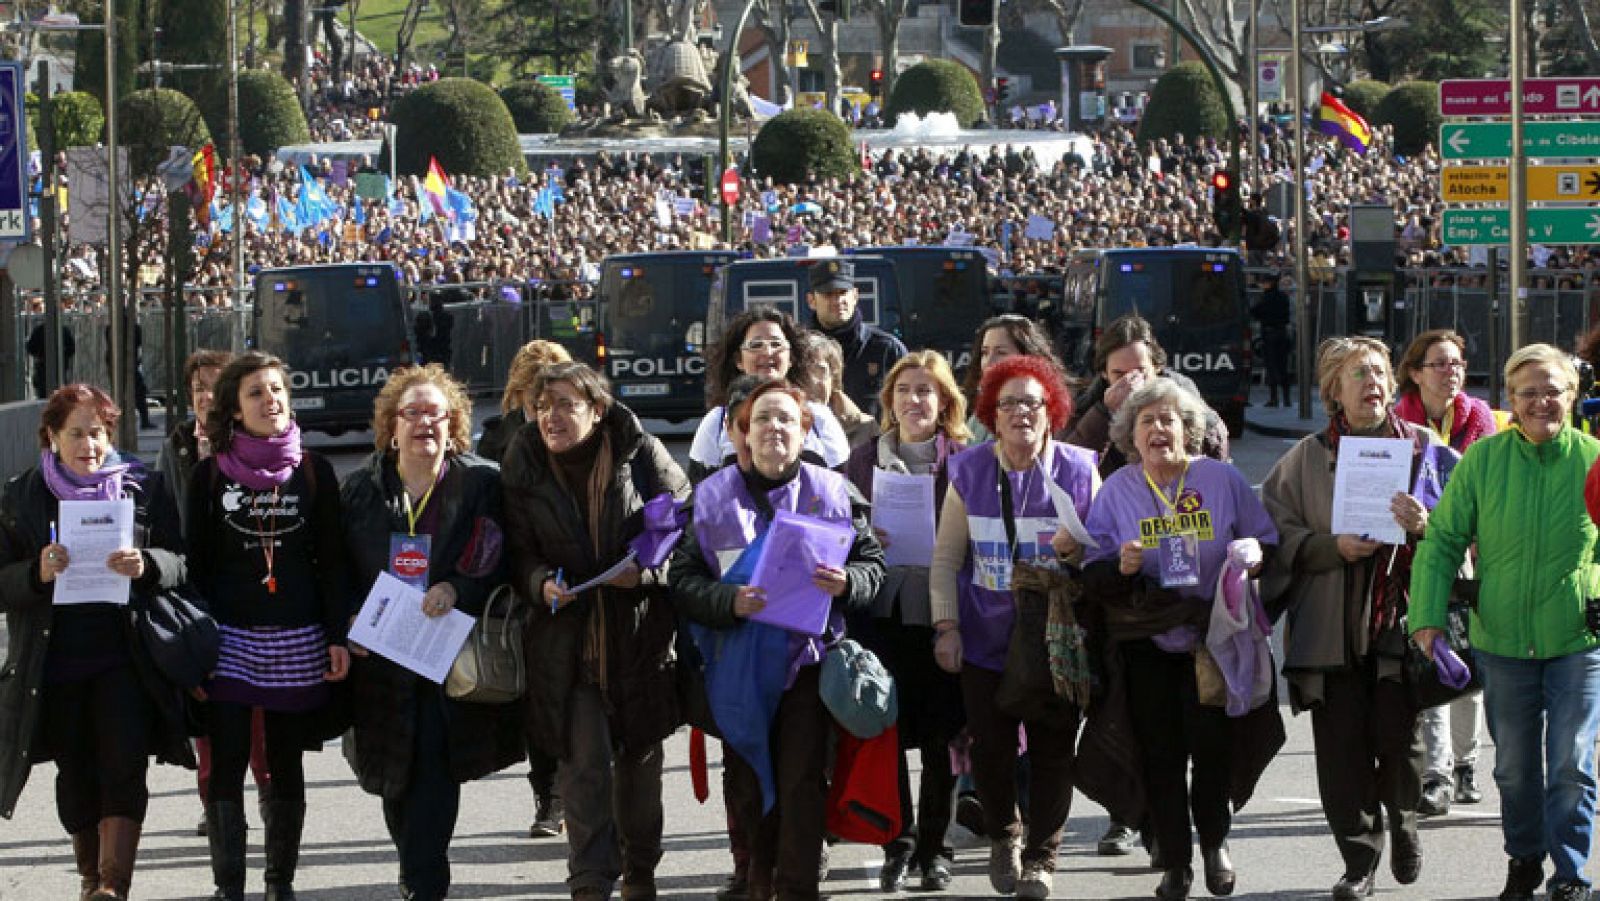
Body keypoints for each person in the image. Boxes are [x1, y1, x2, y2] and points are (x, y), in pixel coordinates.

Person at [673, 379, 886, 901]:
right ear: (743, 434)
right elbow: (681, 580)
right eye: (762, 419)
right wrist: (728, 601)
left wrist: (848, 583)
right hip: (737, 669)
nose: (774, 427)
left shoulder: (833, 491)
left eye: (786, 418)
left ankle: (796, 889)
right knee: (748, 786)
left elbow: (872, 564)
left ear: (804, 431)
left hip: (806, 664)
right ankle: (757, 881)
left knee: (801, 783)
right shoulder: (711, 496)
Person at [1261, 336, 1452, 901]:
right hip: (1328, 629)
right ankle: (1358, 861)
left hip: (1400, 622)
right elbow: (1273, 532)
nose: (1372, 382)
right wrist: (1329, 547)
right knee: (1341, 755)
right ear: (1333, 391)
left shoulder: (1424, 447)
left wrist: (1426, 524)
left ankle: (1405, 823)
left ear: (1392, 384)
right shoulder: (1305, 457)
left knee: (1400, 741)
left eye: (1378, 373)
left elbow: (1465, 523)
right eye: (1357, 374)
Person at [1082, 379, 1281, 900]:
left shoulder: (1221, 479)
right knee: (1160, 755)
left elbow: (1266, 541)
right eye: (1146, 421)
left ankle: (1215, 844)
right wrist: (1120, 566)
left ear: (1188, 430)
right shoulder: (1118, 490)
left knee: (1213, 748)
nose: (1158, 429)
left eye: (1168, 420)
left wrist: (1252, 554)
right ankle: (1175, 862)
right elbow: (1092, 570)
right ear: (1131, 435)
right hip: (1146, 642)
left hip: (1213, 636)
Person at [1416, 345, 1600, 901]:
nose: (1541, 402)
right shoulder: (1483, 460)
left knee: (1571, 764)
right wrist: (1426, 617)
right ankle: (1524, 859)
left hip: (1577, 638)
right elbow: (1442, 539)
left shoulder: (1594, 459)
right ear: (1512, 401)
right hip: (1501, 641)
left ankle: (1569, 874)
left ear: (1572, 395)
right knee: (1516, 768)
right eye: (1528, 393)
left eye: (1552, 391)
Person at [503, 360, 691, 901]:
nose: (552, 417)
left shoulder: (642, 452)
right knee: (583, 767)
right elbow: (517, 550)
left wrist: (646, 574)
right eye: (543, 406)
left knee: (639, 769)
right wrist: (539, 582)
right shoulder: (523, 460)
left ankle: (640, 871)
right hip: (567, 645)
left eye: (566, 404)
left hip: (638, 638)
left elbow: (685, 529)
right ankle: (589, 882)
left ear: (597, 409)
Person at [0, 383, 193, 901]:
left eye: (98, 433)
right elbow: (3, 581)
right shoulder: (21, 496)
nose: (89, 445)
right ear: (51, 436)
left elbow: (180, 561)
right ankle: (89, 879)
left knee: (124, 763)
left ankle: (113, 885)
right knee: (76, 772)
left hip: (126, 655)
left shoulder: (142, 488)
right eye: (76, 434)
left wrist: (147, 564)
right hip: (54, 662)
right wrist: (35, 573)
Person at [341, 364, 522, 901]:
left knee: (434, 771)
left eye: (436, 414)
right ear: (391, 426)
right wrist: (348, 617)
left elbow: (494, 551)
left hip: (447, 652)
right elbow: (335, 566)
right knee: (394, 777)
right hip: (380, 655)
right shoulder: (360, 489)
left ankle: (425, 882)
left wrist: (456, 588)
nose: (424, 423)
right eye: (412, 412)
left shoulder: (481, 482)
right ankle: (413, 868)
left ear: (454, 424)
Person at [929, 354, 1100, 900]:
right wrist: (946, 627)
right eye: (1009, 404)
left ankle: (1042, 858)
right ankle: (1004, 834)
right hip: (985, 637)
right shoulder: (968, 470)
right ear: (991, 415)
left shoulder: (1080, 469)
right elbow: (946, 559)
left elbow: (1103, 557)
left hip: (1056, 638)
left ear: (1052, 411)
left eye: (1032, 402)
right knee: (992, 749)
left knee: (1053, 750)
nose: (1021, 412)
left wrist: (1079, 551)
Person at [187, 351, 351, 901]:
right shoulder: (208, 476)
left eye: (277, 389)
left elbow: (332, 562)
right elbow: (195, 567)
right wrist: (197, 647)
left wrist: (336, 635)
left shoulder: (314, 471)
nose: (270, 400)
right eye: (256, 392)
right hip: (229, 640)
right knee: (227, 762)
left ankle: (280, 883)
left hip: (298, 637)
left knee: (284, 763)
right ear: (235, 408)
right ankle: (228, 886)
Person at [843, 351, 970, 893]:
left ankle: (937, 849)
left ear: (944, 402)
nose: (914, 400)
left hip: (943, 612)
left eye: (925, 390)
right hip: (881, 613)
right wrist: (861, 534)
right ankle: (899, 841)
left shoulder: (964, 460)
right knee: (887, 732)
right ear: (889, 401)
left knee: (943, 736)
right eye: (904, 390)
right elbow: (837, 528)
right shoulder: (861, 460)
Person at [155, 349, 274, 839]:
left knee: (262, 712)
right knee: (208, 703)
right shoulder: (179, 446)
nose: (207, 396)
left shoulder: (260, 442)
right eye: (198, 388)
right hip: (197, 595)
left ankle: (270, 795)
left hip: (254, 594)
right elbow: (165, 515)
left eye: (216, 385)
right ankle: (217, 803)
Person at [1393, 329, 1496, 817]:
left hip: (1470, 550)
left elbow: (1489, 487)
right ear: (1416, 373)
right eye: (1439, 363)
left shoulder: (1479, 418)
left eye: (1457, 363)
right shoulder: (1400, 424)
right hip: (1419, 555)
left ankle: (1466, 765)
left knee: (1467, 655)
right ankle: (1436, 772)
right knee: (1432, 652)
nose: (1451, 372)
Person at [474, 339, 574, 839]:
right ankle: (554, 797)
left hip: (553, 578)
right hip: (530, 582)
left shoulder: (576, 429)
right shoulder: (499, 440)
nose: (547, 409)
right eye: (539, 397)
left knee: (559, 695)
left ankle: (564, 796)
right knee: (546, 696)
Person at [689, 309, 850, 483]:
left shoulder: (819, 418)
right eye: (756, 345)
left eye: (776, 344)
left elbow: (842, 488)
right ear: (738, 360)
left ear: (791, 358)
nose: (767, 352)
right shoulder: (717, 422)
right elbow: (700, 491)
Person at [1063, 314, 1230, 480]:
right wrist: (1103, 414)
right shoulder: (1087, 404)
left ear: (1157, 367)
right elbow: (1068, 466)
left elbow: (1214, 451)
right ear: (1104, 374)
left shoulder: (1181, 394)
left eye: (1140, 373)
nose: (1131, 384)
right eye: (1119, 375)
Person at [804, 258, 906, 415]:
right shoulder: (799, 351)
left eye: (843, 292)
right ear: (811, 301)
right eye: (828, 294)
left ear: (855, 296)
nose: (838, 301)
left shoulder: (886, 349)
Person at [958, 314, 1062, 446]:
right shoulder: (977, 412)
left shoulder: (1043, 410)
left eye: (1001, 353)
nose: (988, 362)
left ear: (1026, 356)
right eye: (985, 353)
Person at [796, 331, 876, 449]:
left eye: (820, 370)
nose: (812, 382)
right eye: (802, 373)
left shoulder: (865, 427)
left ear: (834, 378)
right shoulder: (776, 425)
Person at [1251, 273, 1293, 408]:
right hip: (1282, 332)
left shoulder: (1265, 298)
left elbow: (1255, 312)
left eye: (1264, 282)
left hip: (1269, 333)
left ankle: (1274, 398)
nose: (1262, 285)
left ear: (1269, 284)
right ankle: (1287, 398)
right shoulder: (1283, 297)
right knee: (1283, 366)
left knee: (1271, 366)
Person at [25, 317, 76, 400]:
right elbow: (71, 349)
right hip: (60, 367)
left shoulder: (39, 330)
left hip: (42, 366)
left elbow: (30, 348)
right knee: (60, 391)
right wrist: (63, 357)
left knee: (43, 393)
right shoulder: (63, 330)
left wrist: (40, 354)